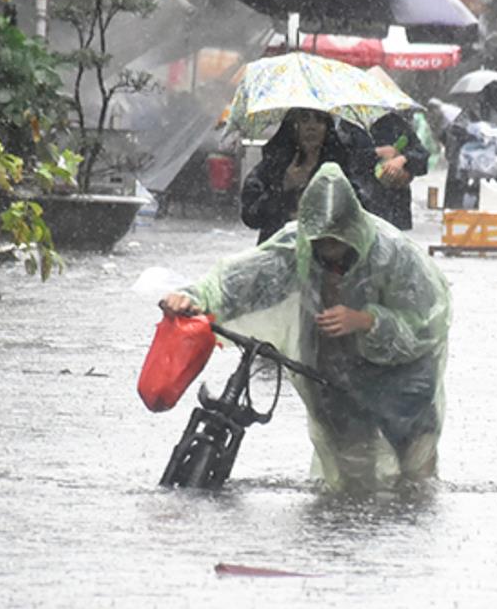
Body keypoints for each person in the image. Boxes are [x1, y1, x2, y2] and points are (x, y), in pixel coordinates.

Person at [162, 163, 451, 493]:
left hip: (405, 379)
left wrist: (368, 320)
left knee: (417, 478)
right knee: (353, 483)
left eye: (342, 258)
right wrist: (193, 297)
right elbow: (241, 281)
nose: (332, 268)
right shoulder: (295, 247)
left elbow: (427, 325)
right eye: (322, 256)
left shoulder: (393, 254)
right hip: (336, 373)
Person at [240, 108, 360, 245]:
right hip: (279, 251)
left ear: (327, 128)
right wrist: (285, 186)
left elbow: (359, 210)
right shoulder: (274, 164)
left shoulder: (340, 166)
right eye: (304, 120)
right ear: (293, 126)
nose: (311, 127)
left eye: (319, 120)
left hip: (323, 254)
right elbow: (251, 216)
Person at [363, 112, 430, 230]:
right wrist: (377, 153)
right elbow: (348, 158)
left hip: (395, 203)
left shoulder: (395, 123)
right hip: (364, 202)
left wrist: (403, 159)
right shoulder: (350, 125)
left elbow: (422, 157)